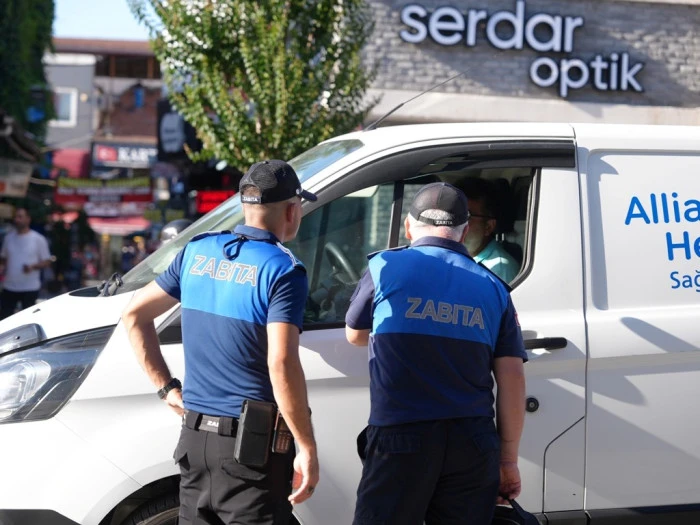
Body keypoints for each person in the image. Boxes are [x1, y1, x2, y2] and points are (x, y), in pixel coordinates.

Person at [122, 160, 320, 525]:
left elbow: (134, 315)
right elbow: (281, 363)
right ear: (292, 210)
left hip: (194, 442)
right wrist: (305, 446)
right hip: (251, 452)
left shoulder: (196, 251)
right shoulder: (283, 270)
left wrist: (166, 388)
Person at [345, 182, 527, 525]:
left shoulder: (385, 267)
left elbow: (354, 334)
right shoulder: (493, 287)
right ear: (464, 232)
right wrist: (507, 460)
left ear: (408, 226)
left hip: (401, 435)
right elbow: (513, 378)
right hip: (472, 442)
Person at [461, 178, 519, 283]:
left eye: (466, 216)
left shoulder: (500, 269)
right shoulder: (456, 256)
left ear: (488, 226)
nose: (457, 223)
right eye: (454, 214)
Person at [0, 207, 53, 319]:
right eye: (16, 217)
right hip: (9, 286)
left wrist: (33, 266)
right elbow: (3, 259)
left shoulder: (38, 239)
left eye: (20, 217)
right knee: (5, 318)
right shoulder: (9, 238)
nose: (17, 220)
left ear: (28, 219)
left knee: (26, 320)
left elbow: (47, 262)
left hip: (30, 287)